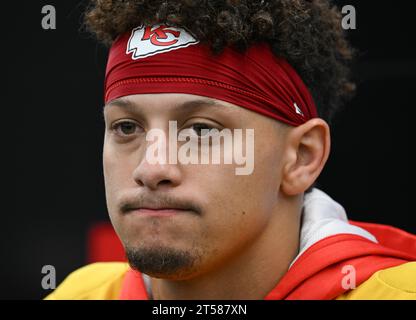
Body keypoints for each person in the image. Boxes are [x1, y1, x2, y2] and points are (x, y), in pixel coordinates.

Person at [46, 0, 416, 300]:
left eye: (201, 130)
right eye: (126, 127)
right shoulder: (80, 294)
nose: (151, 167)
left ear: (302, 157)